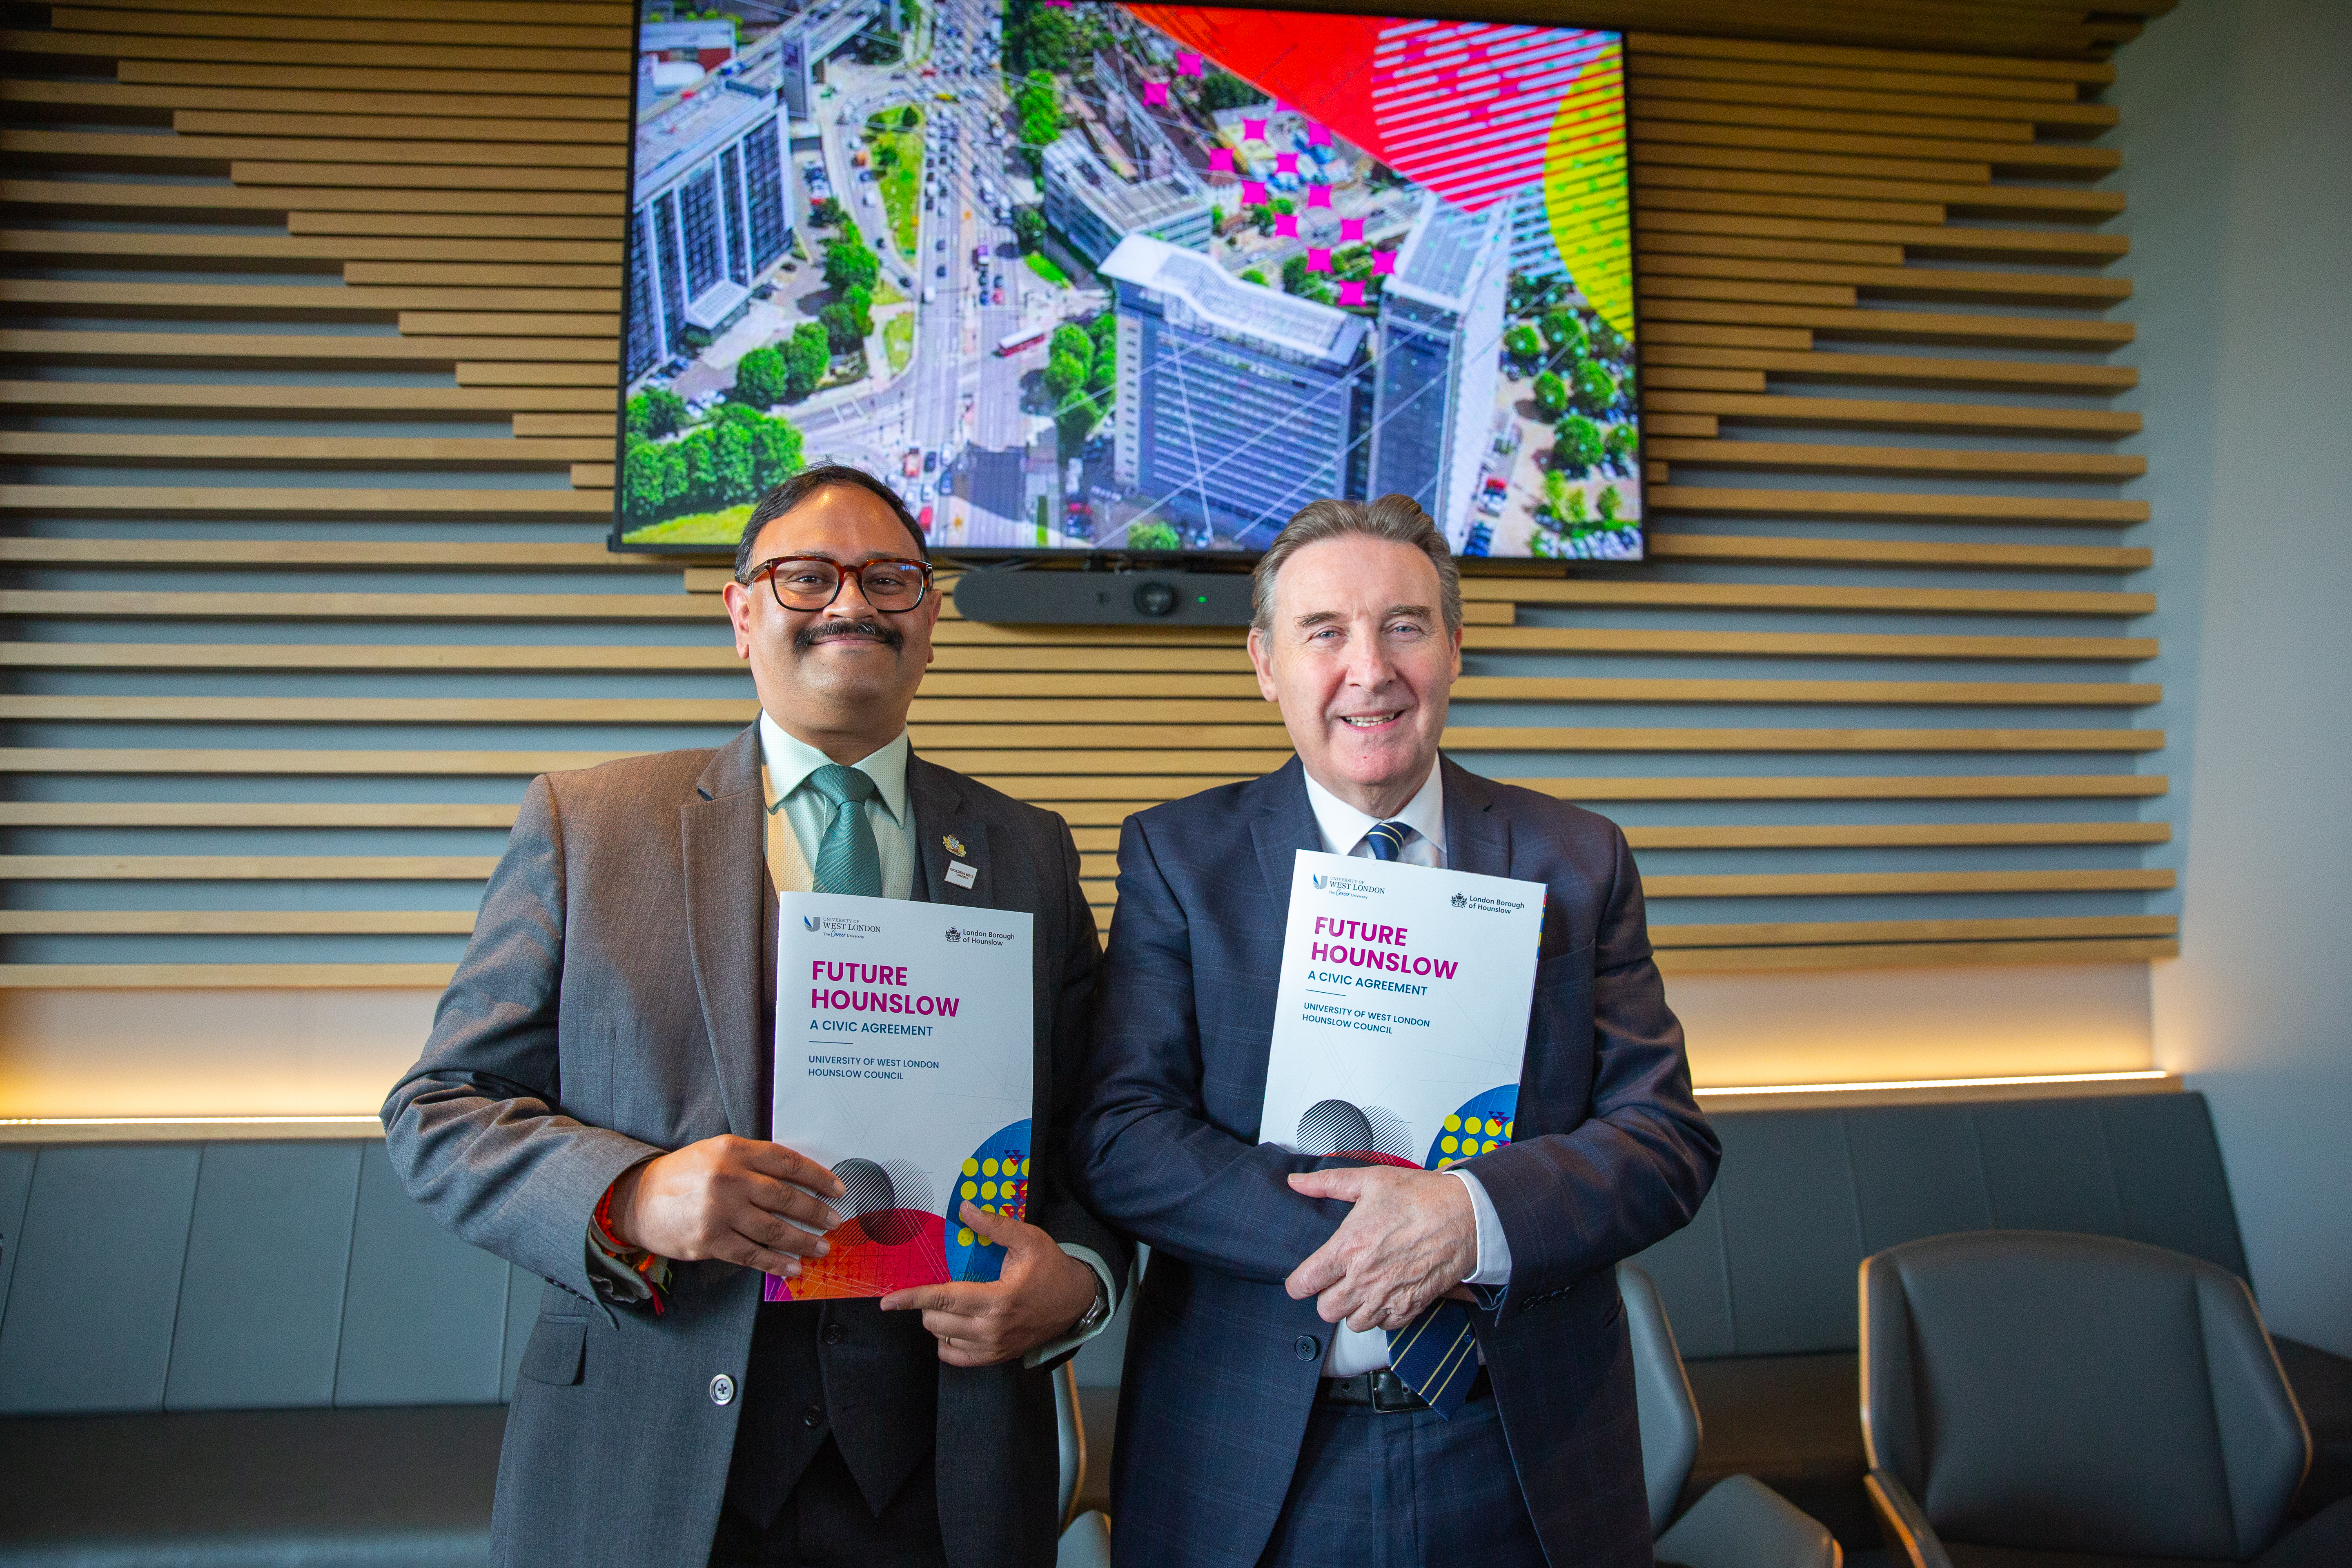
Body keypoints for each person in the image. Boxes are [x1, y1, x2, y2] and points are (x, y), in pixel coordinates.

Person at [383, 466, 1127, 1568]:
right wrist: (630, 1194)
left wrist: (1076, 1279)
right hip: (651, 1460)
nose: (851, 605)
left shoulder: (1028, 850)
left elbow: (1091, 1137)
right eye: (807, 576)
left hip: (946, 1475)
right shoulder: (589, 828)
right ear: (742, 614)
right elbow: (440, 1111)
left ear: (928, 621)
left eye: (890, 579)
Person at [1068, 496, 1720, 1568]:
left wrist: (1471, 1220)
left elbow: (1665, 1143)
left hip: (1526, 1455)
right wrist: (1359, 1240)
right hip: (1254, 1463)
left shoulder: (1578, 858)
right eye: (1324, 632)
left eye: (1405, 626)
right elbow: (1122, 1135)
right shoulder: (1180, 860)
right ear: (1266, 662)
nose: (1370, 669)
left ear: (1455, 650)